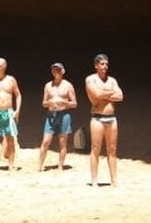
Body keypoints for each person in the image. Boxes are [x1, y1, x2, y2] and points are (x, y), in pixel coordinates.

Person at [86, 53, 125, 187]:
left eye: (106, 64)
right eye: (102, 64)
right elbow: (96, 95)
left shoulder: (112, 80)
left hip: (111, 118)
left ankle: (114, 180)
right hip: (98, 118)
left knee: (112, 149)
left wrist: (104, 93)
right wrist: (110, 93)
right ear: (96, 66)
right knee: (95, 148)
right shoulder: (90, 79)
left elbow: (120, 96)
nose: (105, 67)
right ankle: (94, 180)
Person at [37, 62, 78, 172]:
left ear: (63, 71)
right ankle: (40, 166)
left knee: (62, 142)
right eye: (54, 70)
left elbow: (74, 103)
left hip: (64, 115)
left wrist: (64, 102)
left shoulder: (68, 86)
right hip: (51, 115)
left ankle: (60, 166)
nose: (56, 72)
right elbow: (43, 103)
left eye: (58, 70)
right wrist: (50, 102)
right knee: (46, 141)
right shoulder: (48, 86)